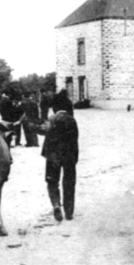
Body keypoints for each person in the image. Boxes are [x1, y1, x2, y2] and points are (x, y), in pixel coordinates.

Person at [41, 92, 80, 221]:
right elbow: (75, 140)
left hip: (53, 156)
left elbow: (44, 132)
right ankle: (69, 212)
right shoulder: (72, 120)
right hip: (69, 156)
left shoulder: (52, 119)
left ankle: (56, 205)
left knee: (52, 182)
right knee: (69, 183)